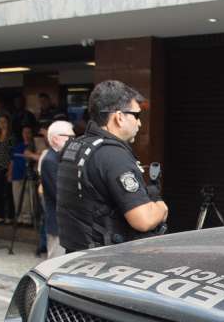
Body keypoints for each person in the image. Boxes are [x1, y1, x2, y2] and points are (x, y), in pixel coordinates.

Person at [57, 80, 168, 251]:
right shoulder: (114, 156)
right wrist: (160, 206)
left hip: (75, 255)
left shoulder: (76, 146)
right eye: (137, 116)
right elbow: (143, 220)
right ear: (119, 117)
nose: (139, 123)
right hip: (106, 263)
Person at [38, 119, 73, 259]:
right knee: (55, 262)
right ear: (55, 138)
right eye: (69, 137)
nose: (72, 141)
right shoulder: (50, 160)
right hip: (58, 223)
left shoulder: (60, 157)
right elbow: (58, 193)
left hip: (65, 222)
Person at [10, 125, 37, 226]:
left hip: (28, 175)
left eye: (28, 132)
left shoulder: (33, 146)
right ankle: (19, 218)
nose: (26, 135)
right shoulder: (18, 146)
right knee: (17, 198)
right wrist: (10, 173)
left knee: (27, 199)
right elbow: (12, 161)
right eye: (24, 132)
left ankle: (27, 219)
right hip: (16, 175)